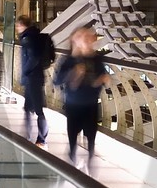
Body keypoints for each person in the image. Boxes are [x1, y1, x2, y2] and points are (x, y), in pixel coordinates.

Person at [55, 25, 110, 166]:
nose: (86, 39)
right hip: (73, 104)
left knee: (91, 136)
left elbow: (100, 79)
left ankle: (90, 161)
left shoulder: (96, 59)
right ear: (75, 41)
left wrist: (103, 80)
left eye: (87, 37)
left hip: (91, 103)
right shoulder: (68, 61)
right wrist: (74, 73)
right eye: (81, 37)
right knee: (73, 135)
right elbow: (57, 80)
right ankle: (73, 158)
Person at [15, 15, 53, 146]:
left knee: (37, 110)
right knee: (28, 108)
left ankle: (41, 139)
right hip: (35, 77)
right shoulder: (35, 35)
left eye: (17, 26)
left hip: (33, 78)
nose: (17, 28)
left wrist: (25, 72)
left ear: (22, 25)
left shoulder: (28, 38)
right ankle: (27, 135)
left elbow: (33, 58)